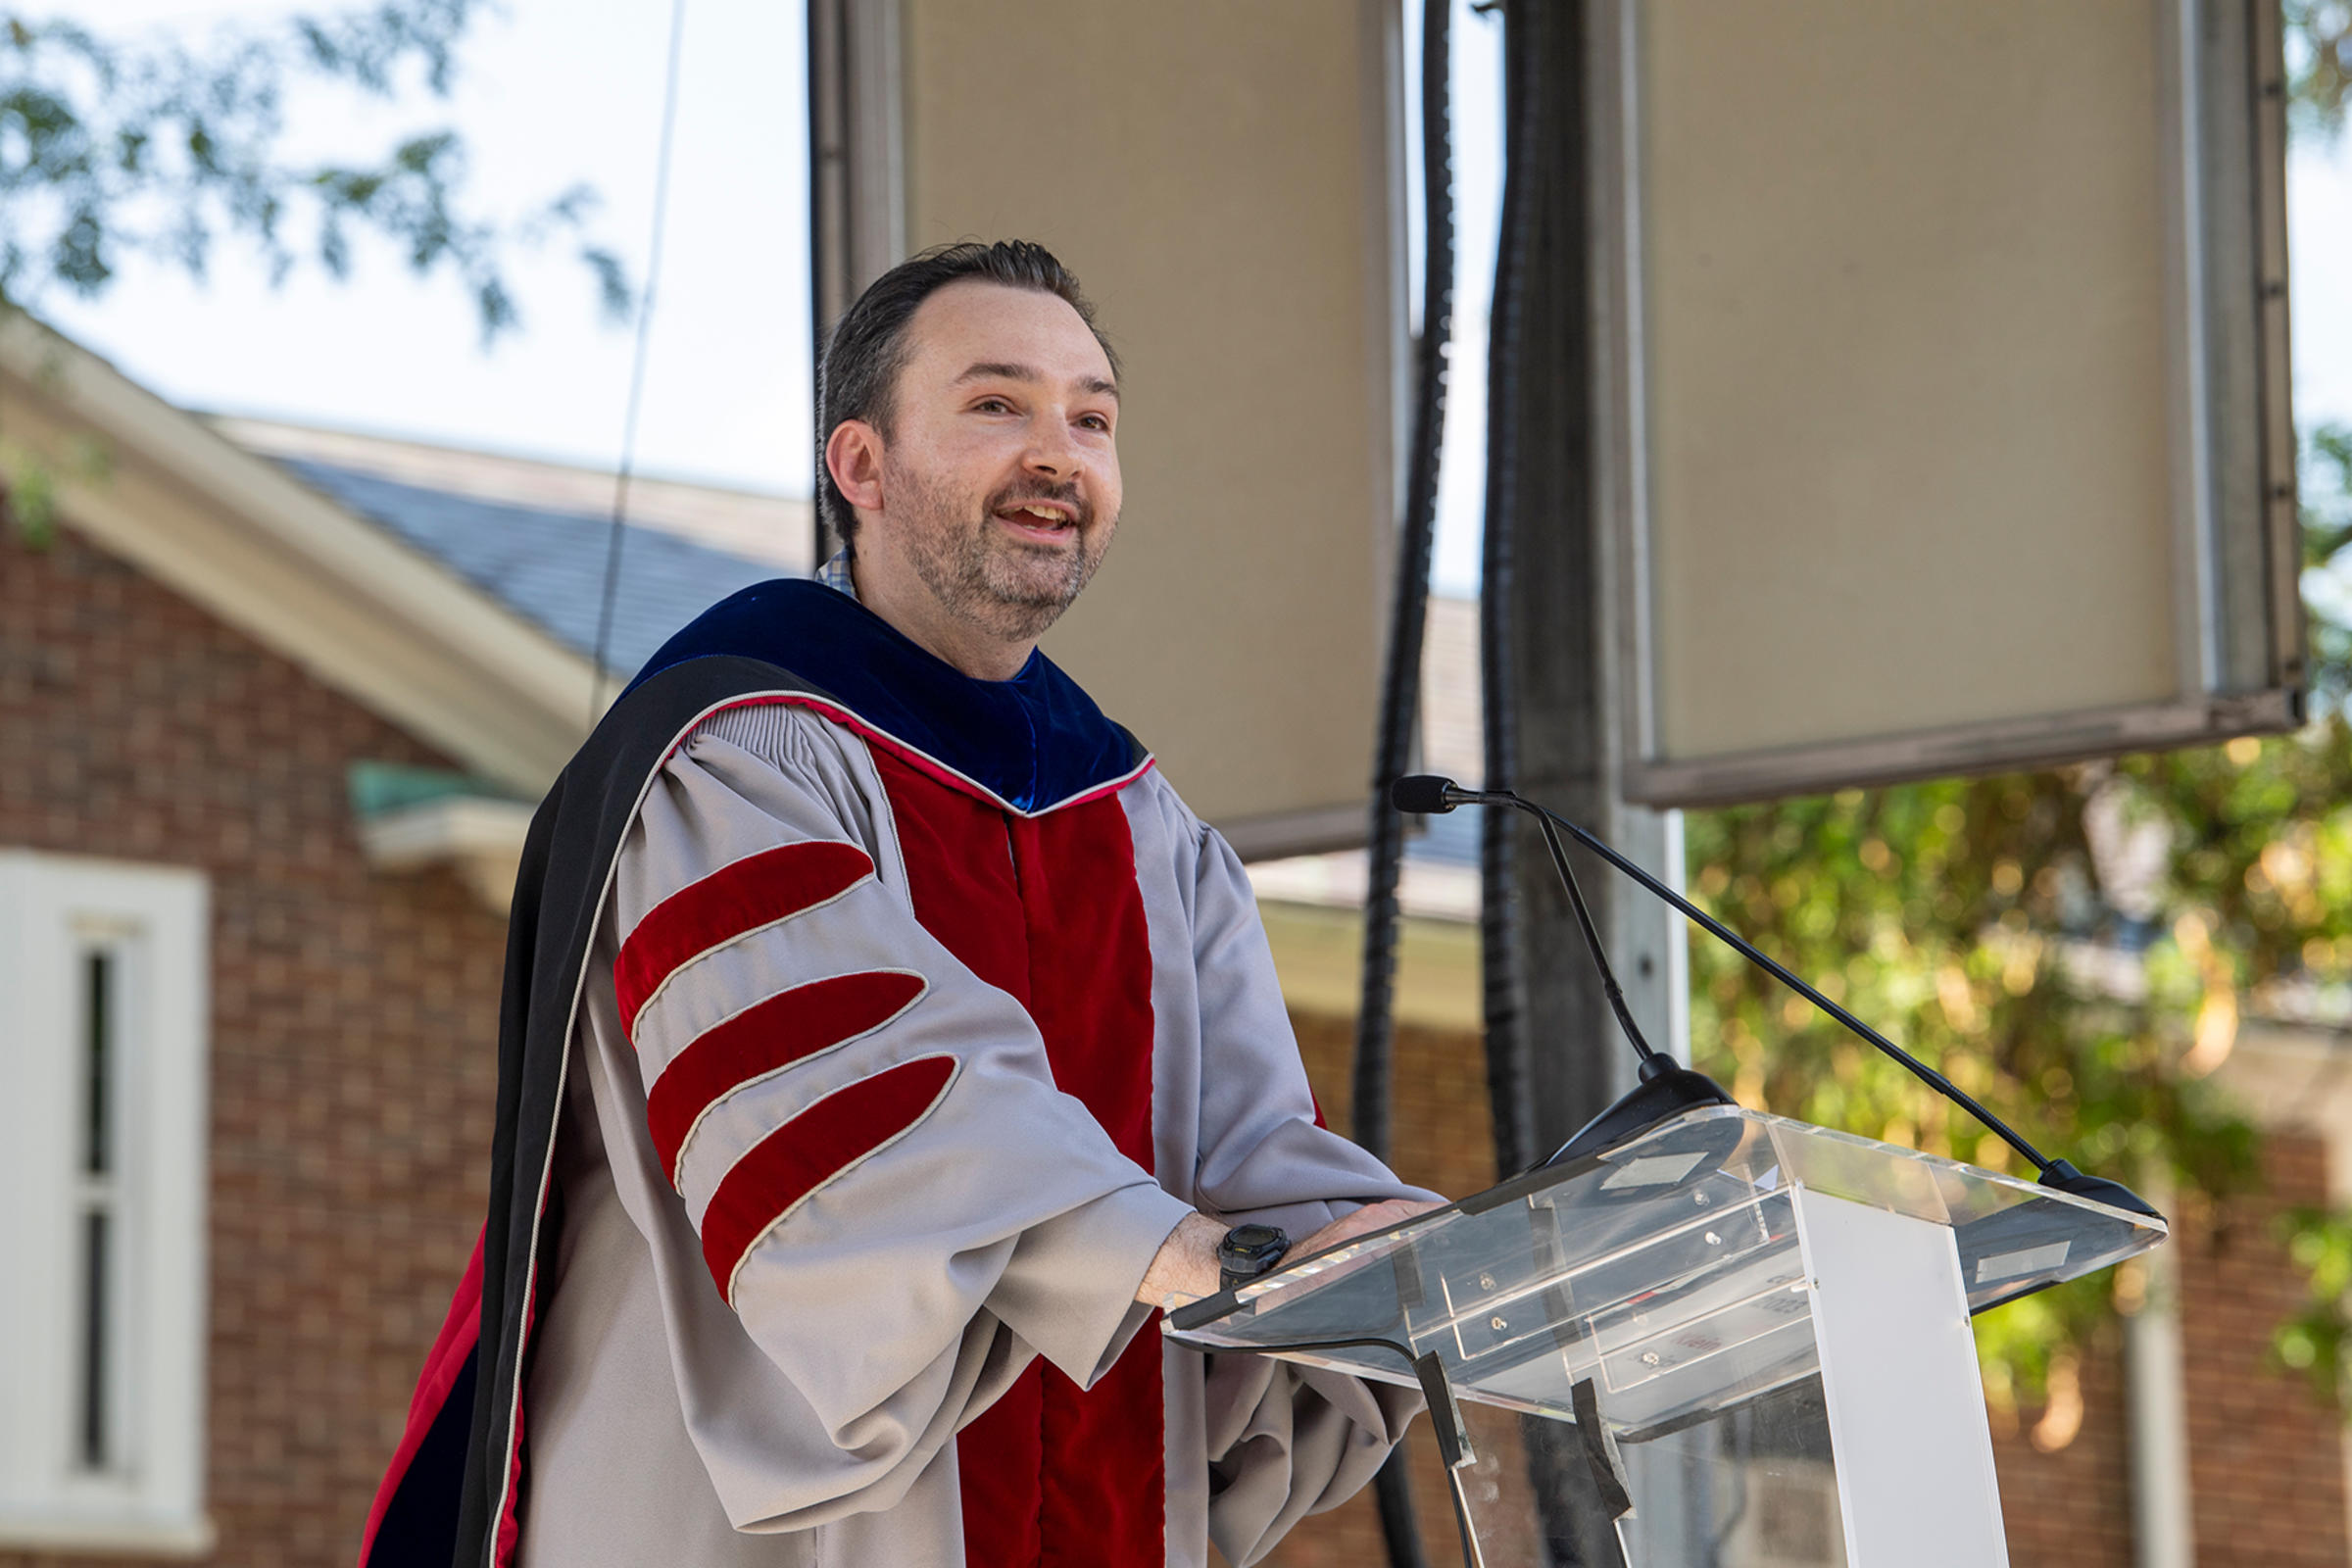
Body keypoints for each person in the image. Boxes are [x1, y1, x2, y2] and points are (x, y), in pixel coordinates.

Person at [357, 240, 1441, 1568]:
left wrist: (1392, 1259)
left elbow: (1255, 1152)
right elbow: (853, 1105)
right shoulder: (730, 757)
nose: (1058, 452)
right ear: (860, 468)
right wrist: (1171, 1255)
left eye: (1090, 419)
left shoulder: (1143, 824)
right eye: (998, 405)